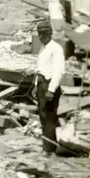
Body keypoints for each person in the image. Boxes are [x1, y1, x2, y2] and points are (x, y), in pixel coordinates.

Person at [35, 21, 65, 157]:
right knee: (42, 115)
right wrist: (36, 86)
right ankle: (46, 144)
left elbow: (59, 71)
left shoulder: (56, 48)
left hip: (49, 85)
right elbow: (40, 69)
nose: (41, 37)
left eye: (43, 34)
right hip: (41, 84)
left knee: (49, 117)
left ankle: (49, 149)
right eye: (39, 34)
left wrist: (51, 90)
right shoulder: (43, 48)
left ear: (50, 33)